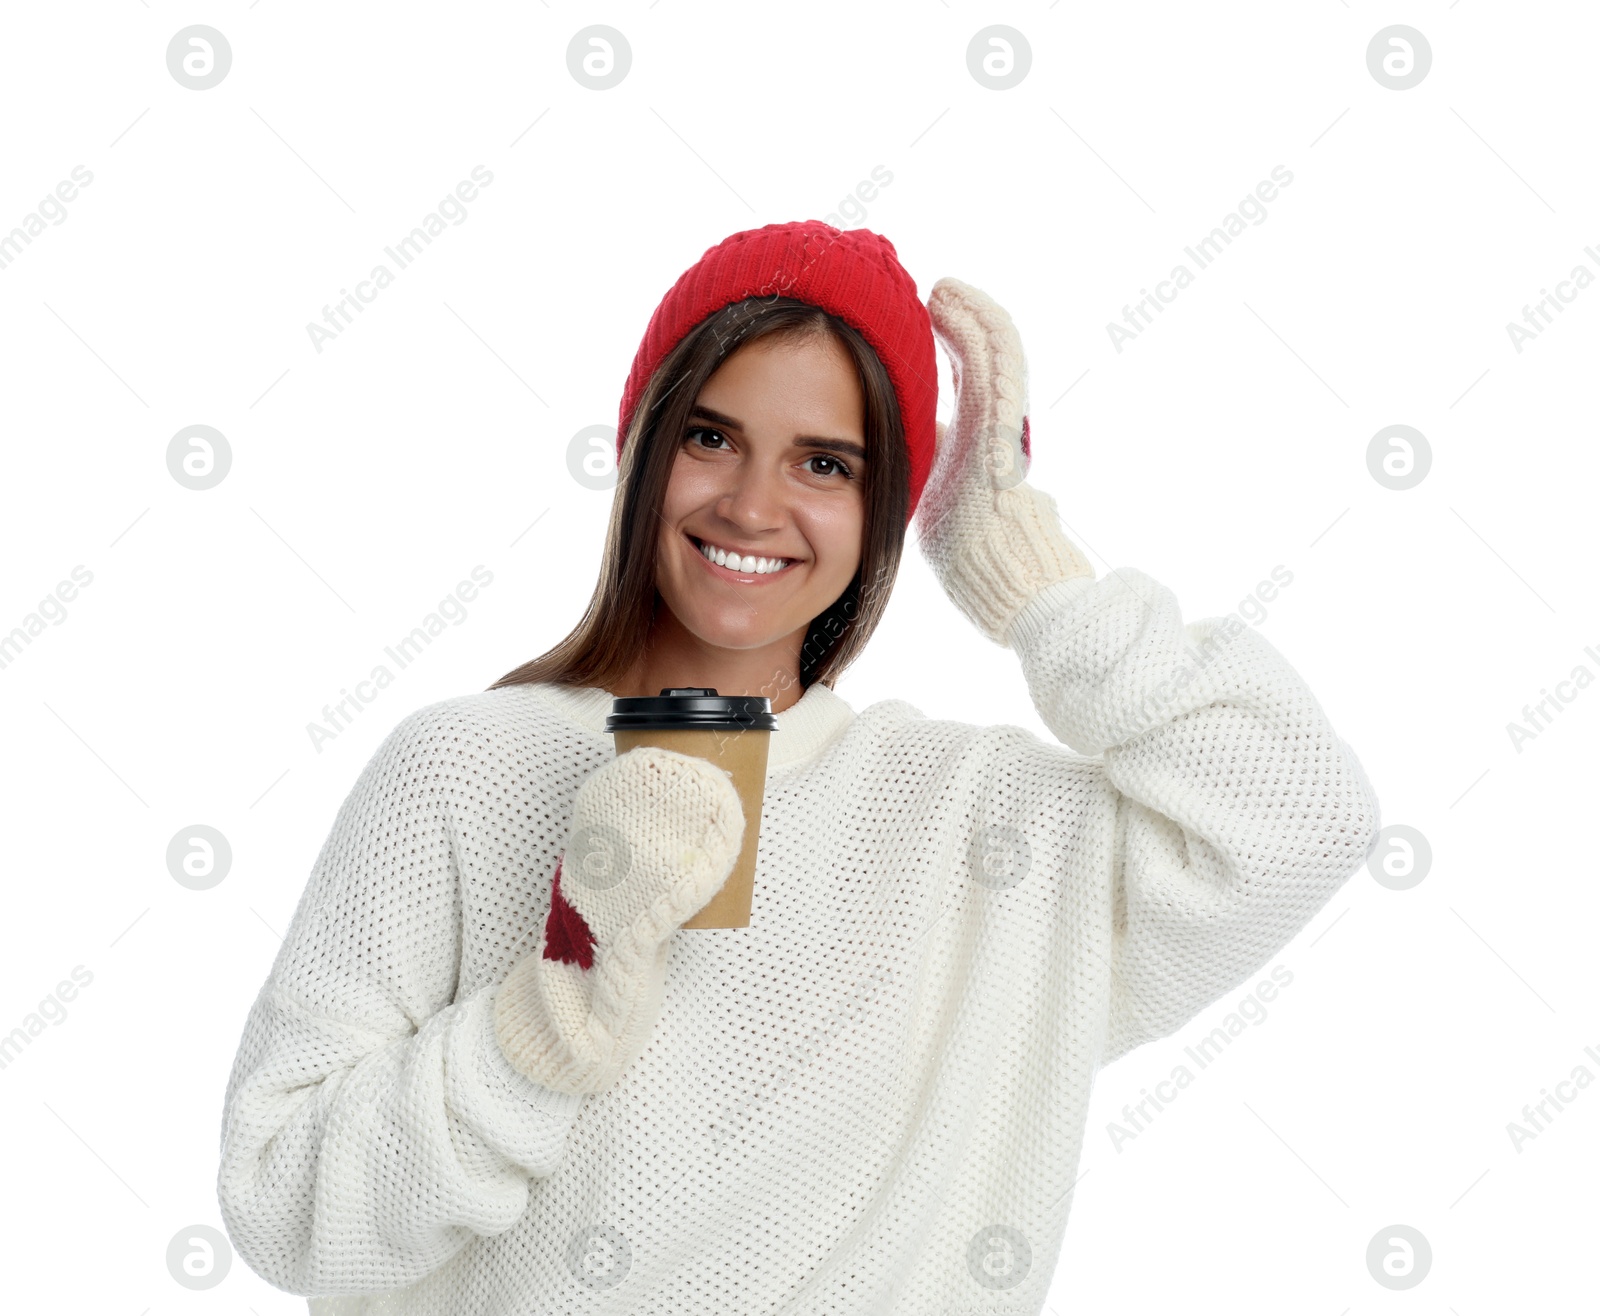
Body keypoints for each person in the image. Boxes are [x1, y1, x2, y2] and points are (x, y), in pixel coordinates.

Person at [216, 220, 1381, 1314]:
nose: (752, 502)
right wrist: (544, 1015)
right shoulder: (464, 767)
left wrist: (1032, 582)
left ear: (887, 509)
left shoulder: (978, 824)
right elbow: (280, 1202)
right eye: (711, 436)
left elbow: (1300, 815)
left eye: (826, 463)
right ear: (640, 448)